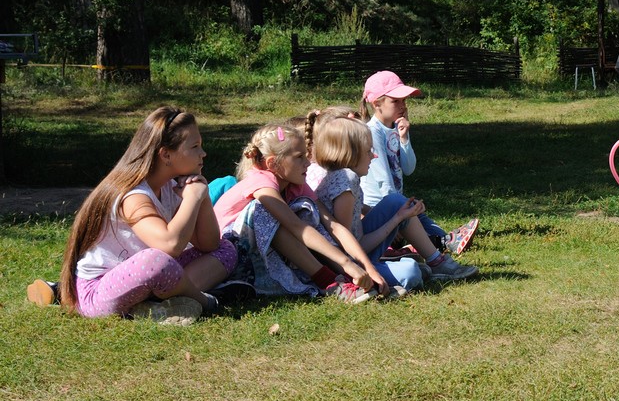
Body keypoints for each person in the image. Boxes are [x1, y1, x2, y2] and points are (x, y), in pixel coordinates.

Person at [55, 107, 237, 324]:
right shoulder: (132, 196)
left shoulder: (170, 187)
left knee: (226, 249)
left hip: (148, 277)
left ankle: (156, 303)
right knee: (155, 261)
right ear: (166, 155)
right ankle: (205, 301)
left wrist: (202, 195)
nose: (203, 153)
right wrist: (192, 198)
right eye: (195, 146)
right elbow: (169, 245)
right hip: (99, 290)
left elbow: (209, 244)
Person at [214, 123, 377, 302]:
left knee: (306, 207)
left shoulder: (295, 184)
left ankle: (344, 277)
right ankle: (327, 281)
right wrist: (345, 262)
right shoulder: (260, 182)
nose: (307, 162)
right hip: (229, 255)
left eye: (306, 155)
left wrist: (367, 268)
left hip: (259, 252)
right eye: (299, 157)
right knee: (262, 210)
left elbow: (333, 225)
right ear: (272, 163)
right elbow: (296, 226)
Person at [360, 70, 479, 279]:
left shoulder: (394, 129)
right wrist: (396, 218)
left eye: (404, 100)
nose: (403, 106)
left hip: (395, 202)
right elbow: (383, 182)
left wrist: (404, 138)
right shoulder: (372, 132)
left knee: (422, 218)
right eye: (396, 101)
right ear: (377, 104)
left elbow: (408, 168)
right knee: (415, 218)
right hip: (378, 206)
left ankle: (437, 243)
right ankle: (430, 248)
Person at [309, 113, 430, 294]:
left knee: (396, 201)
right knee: (411, 272)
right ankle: (389, 271)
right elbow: (350, 249)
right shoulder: (346, 181)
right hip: (346, 264)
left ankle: (418, 262)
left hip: (357, 250)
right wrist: (396, 220)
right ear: (350, 154)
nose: (373, 156)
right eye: (367, 151)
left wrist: (398, 216)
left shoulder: (340, 175)